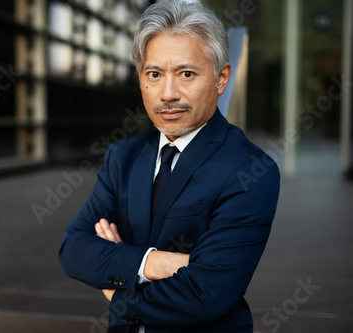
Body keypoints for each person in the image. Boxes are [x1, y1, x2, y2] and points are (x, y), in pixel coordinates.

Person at [59, 1, 280, 332]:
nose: (168, 93)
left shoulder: (250, 171)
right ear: (141, 79)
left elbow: (206, 294)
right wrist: (152, 261)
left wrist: (116, 289)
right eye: (154, 74)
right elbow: (73, 249)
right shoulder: (123, 157)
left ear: (221, 79)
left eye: (186, 73)